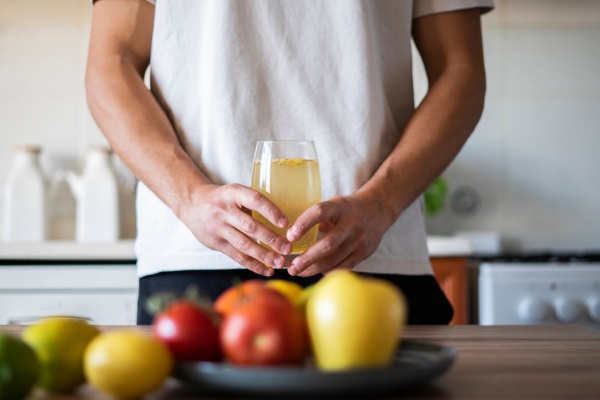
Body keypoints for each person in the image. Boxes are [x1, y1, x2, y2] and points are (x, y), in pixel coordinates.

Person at [86, 0, 493, 325]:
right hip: (199, 252)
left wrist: (383, 202)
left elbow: (460, 70)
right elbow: (112, 62)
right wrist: (190, 198)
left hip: (371, 250)